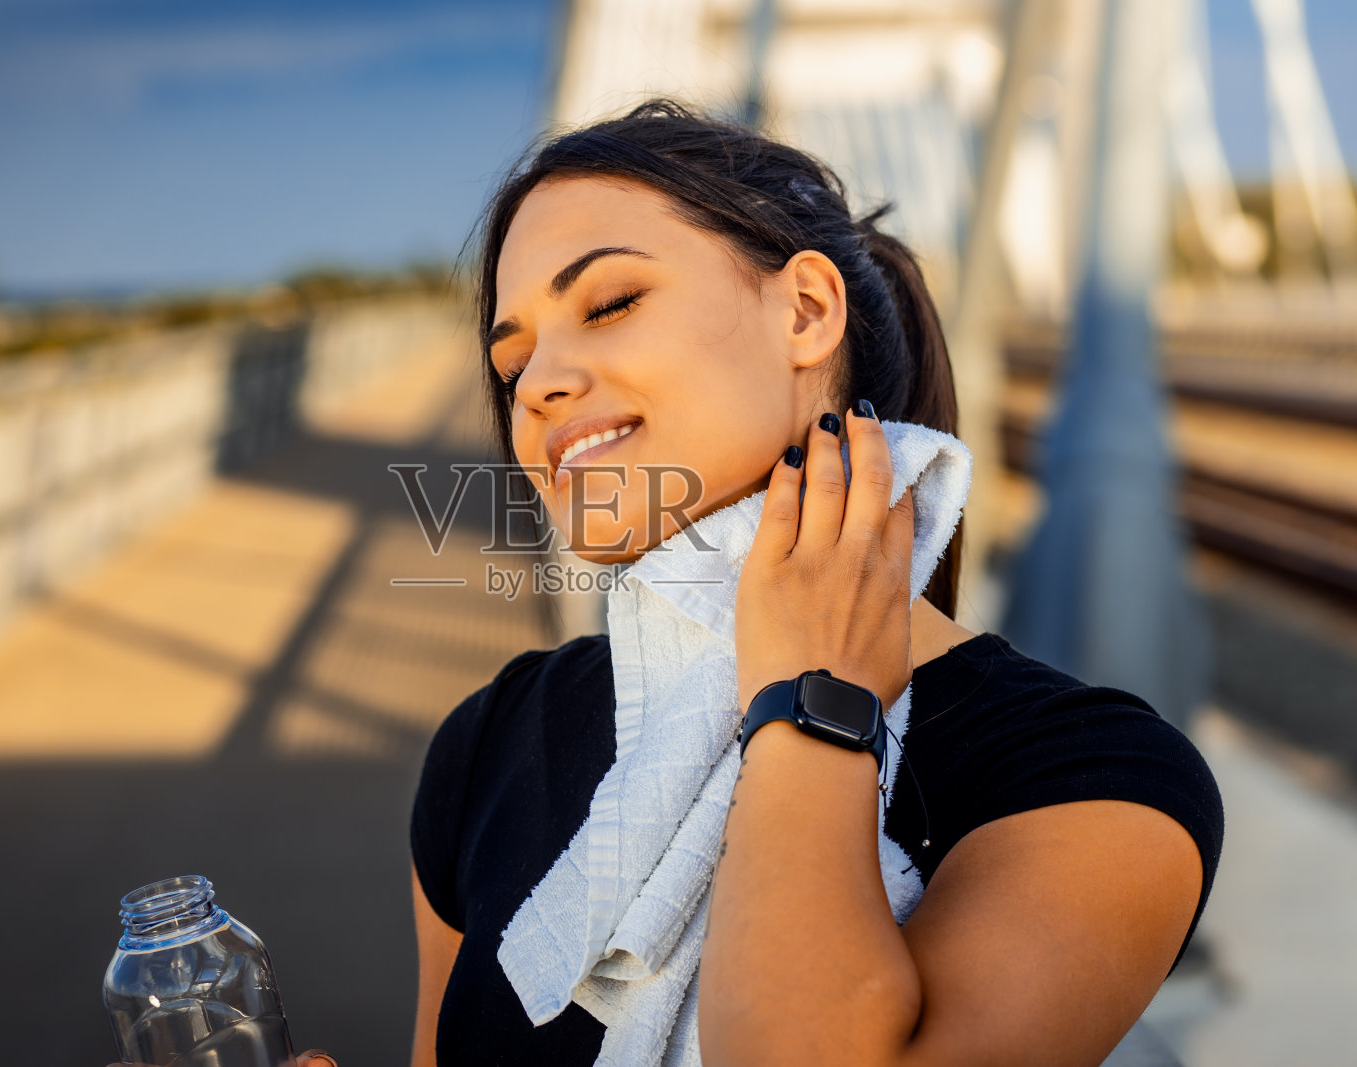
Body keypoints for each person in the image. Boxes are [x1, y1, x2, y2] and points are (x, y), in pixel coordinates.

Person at [405, 99, 1224, 1066]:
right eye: (512, 364)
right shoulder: (487, 743)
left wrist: (814, 699)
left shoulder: (1096, 781)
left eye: (610, 303)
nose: (538, 382)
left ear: (806, 311)